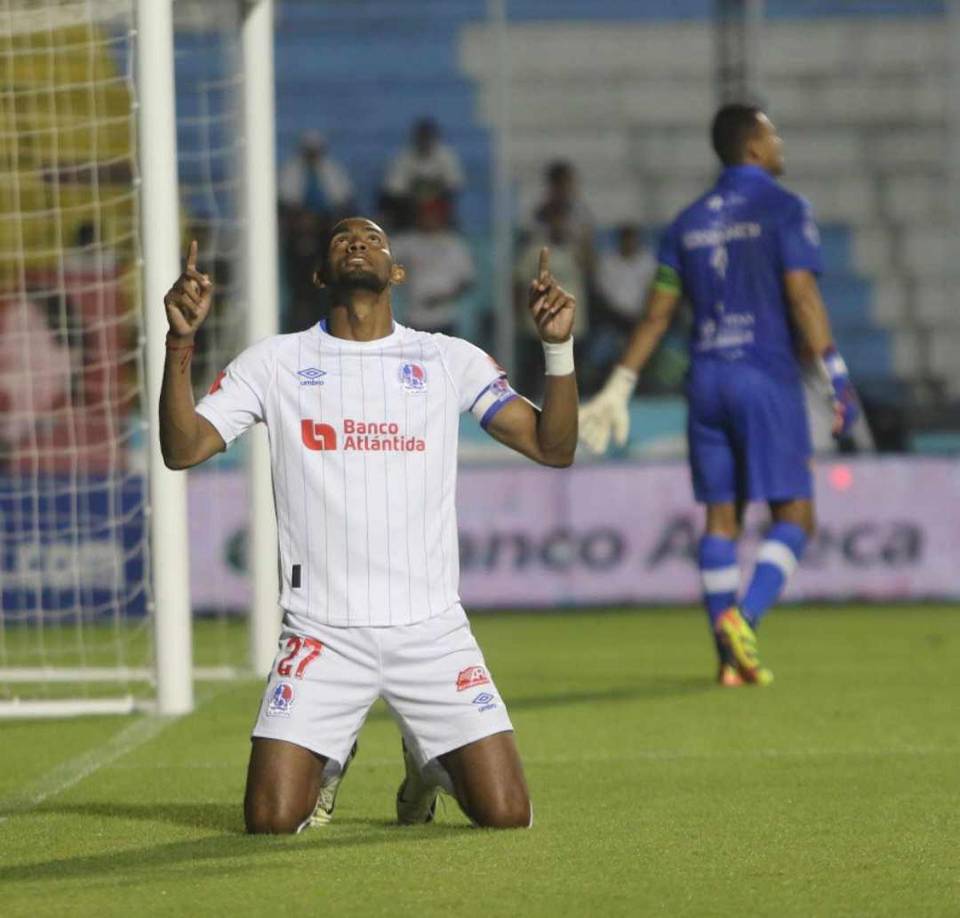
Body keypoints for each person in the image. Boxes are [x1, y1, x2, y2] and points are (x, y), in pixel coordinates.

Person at [160, 217, 577, 832]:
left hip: (432, 631)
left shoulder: (445, 358)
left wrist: (557, 348)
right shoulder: (275, 362)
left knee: (507, 814)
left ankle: (427, 760)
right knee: (270, 821)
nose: (358, 243)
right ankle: (332, 757)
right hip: (321, 631)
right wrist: (179, 345)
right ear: (320, 273)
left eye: (374, 239)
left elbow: (553, 447)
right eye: (340, 240)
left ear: (396, 272)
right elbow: (183, 448)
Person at [579, 104, 860, 686]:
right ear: (754, 146)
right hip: (763, 374)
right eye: (772, 132)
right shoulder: (785, 208)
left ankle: (728, 661)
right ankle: (745, 619)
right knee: (796, 517)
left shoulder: (685, 223)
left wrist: (619, 384)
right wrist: (836, 374)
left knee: (720, 518)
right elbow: (803, 295)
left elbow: (658, 315)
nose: (779, 141)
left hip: (705, 381)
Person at [390, 198, 475, 336]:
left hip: (445, 317)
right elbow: (382, 260)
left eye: (434, 214)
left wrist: (442, 297)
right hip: (415, 317)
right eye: (425, 213)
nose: (429, 218)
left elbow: (466, 281)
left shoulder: (454, 244)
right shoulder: (406, 242)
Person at [381, 118, 464, 229]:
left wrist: (430, 197)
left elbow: (454, 186)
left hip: (438, 204)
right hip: (410, 206)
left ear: (434, 139)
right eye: (422, 138)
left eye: (428, 138)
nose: (425, 142)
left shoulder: (447, 156)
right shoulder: (403, 157)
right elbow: (394, 190)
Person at [277, 130, 355, 228]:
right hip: (297, 215)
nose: (313, 154)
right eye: (309, 151)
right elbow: (286, 197)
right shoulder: (290, 169)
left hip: (327, 214)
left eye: (315, 151)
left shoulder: (332, 169)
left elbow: (343, 196)